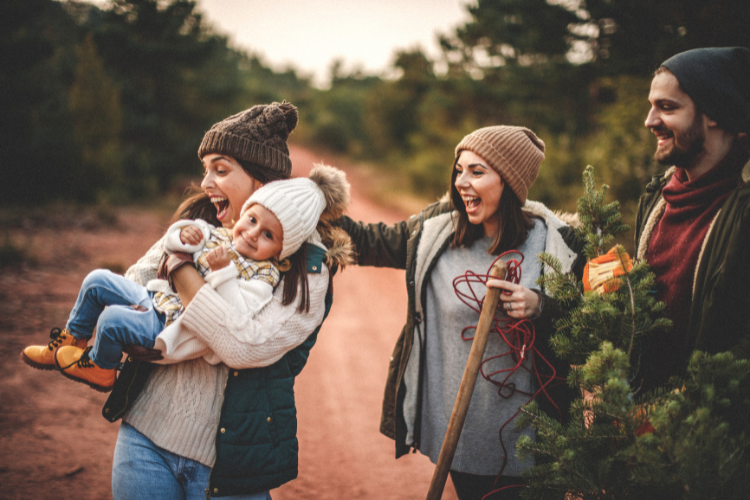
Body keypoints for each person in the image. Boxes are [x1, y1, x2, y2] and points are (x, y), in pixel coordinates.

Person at [17, 102, 354, 499]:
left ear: (262, 182)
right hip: (145, 436)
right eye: (206, 168)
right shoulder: (198, 224)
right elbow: (136, 289)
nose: (206, 181)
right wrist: (182, 259)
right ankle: (72, 343)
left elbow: (242, 346)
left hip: (230, 467)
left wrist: (180, 268)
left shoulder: (303, 268)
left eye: (221, 169)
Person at [340, 126, 584, 500]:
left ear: (511, 182)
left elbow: (590, 324)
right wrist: (303, 202)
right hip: (458, 437)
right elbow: (367, 243)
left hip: (532, 441)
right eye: (459, 170)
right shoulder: (435, 233)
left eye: (477, 171)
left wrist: (541, 306)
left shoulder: (556, 243)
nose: (461, 183)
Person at [23, 165, 350, 394]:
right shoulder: (221, 234)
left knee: (110, 320)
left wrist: (223, 274)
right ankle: (71, 340)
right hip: (155, 298)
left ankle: (101, 367)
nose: (251, 234)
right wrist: (185, 234)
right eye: (251, 219)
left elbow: (238, 313)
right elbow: (177, 240)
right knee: (97, 280)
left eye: (267, 235)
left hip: (169, 324)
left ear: (281, 251)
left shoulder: (263, 275)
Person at [633, 47, 750, 393]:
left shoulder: (742, 210)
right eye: (652, 105)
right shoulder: (655, 199)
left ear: (714, 112)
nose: (650, 121)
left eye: (667, 107)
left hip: (712, 433)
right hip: (640, 424)